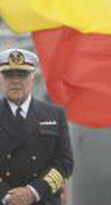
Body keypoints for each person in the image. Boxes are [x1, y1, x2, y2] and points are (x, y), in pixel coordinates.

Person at [0, 48, 73, 205]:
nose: (15, 81)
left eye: (22, 75)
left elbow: (65, 162)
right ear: (1, 79)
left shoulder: (55, 114)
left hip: (43, 199)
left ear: (32, 78)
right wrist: (7, 196)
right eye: (9, 75)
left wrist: (33, 192)